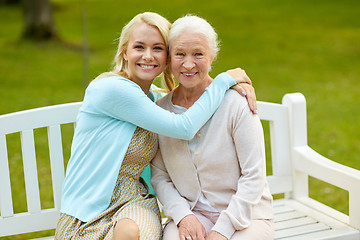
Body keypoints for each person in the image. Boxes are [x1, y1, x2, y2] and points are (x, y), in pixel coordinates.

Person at [54, 12, 254, 240]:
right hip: (86, 210)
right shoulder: (111, 89)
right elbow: (185, 127)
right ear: (124, 52)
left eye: (157, 48)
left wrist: (233, 88)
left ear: (167, 57)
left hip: (133, 202)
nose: (148, 56)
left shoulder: (152, 99)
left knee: (130, 231)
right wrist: (225, 80)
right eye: (139, 47)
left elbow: (191, 89)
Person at [151, 15, 274, 240]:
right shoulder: (161, 111)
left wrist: (222, 230)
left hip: (247, 216)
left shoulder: (237, 102)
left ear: (212, 56)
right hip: (192, 214)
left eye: (198, 54)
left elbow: (253, 176)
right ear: (169, 58)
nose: (188, 64)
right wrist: (183, 216)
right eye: (180, 54)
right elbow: (160, 177)